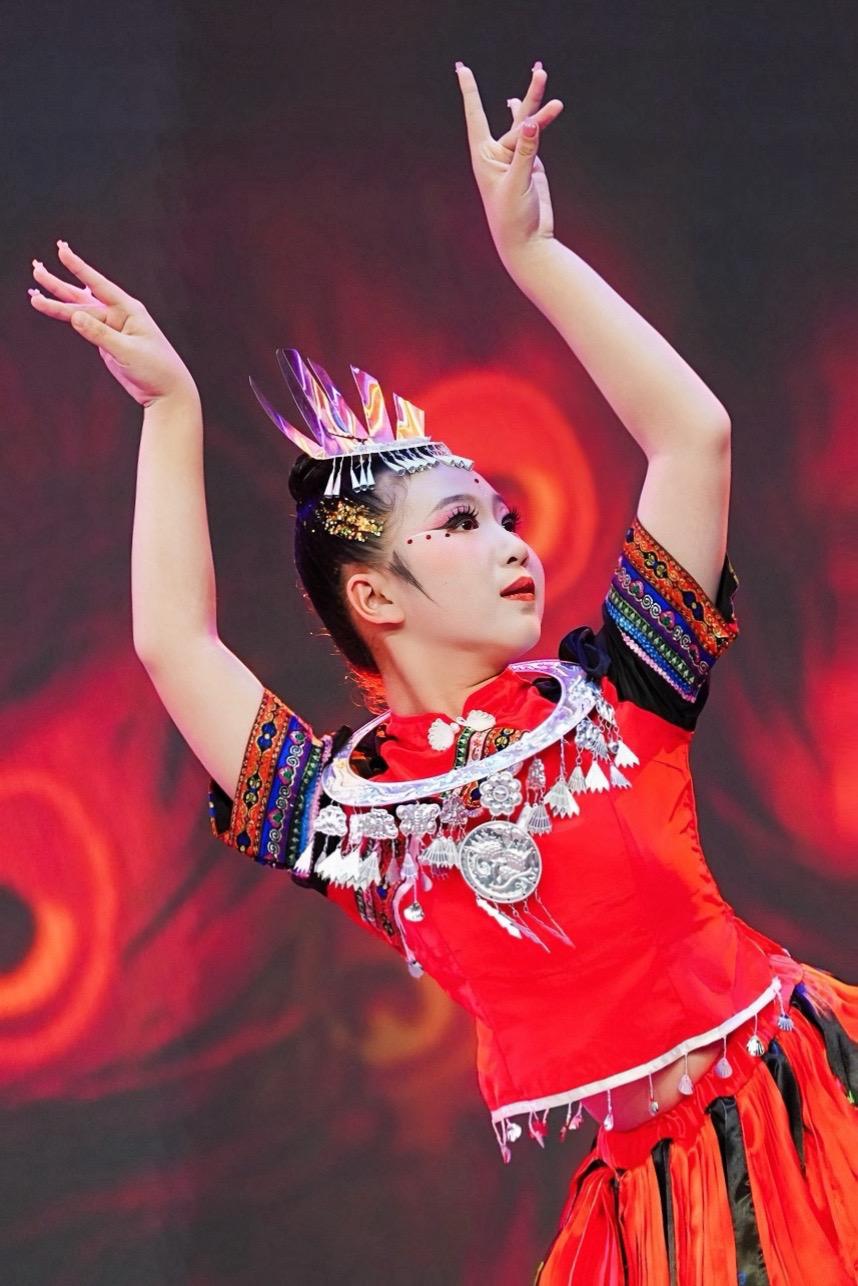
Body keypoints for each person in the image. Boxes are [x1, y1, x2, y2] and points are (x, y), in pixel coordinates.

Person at [29, 58, 857, 1286]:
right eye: (463, 523)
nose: (513, 541)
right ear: (374, 597)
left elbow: (696, 436)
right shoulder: (362, 827)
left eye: (505, 514)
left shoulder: (617, 699)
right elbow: (176, 642)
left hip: (814, 1111)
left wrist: (535, 256)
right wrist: (171, 411)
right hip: (657, 1219)